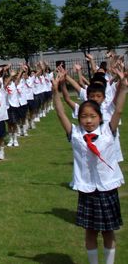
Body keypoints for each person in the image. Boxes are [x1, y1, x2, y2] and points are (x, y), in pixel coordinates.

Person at [52, 66, 126, 264]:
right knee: (91, 231)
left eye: (92, 116)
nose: (88, 120)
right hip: (87, 189)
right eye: (84, 116)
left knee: (109, 231)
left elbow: (118, 108)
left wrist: (124, 87)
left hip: (107, 187)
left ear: (100, 117)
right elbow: (61, 114)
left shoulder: (108, 131)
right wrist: (55, 91)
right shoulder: (76, 134)